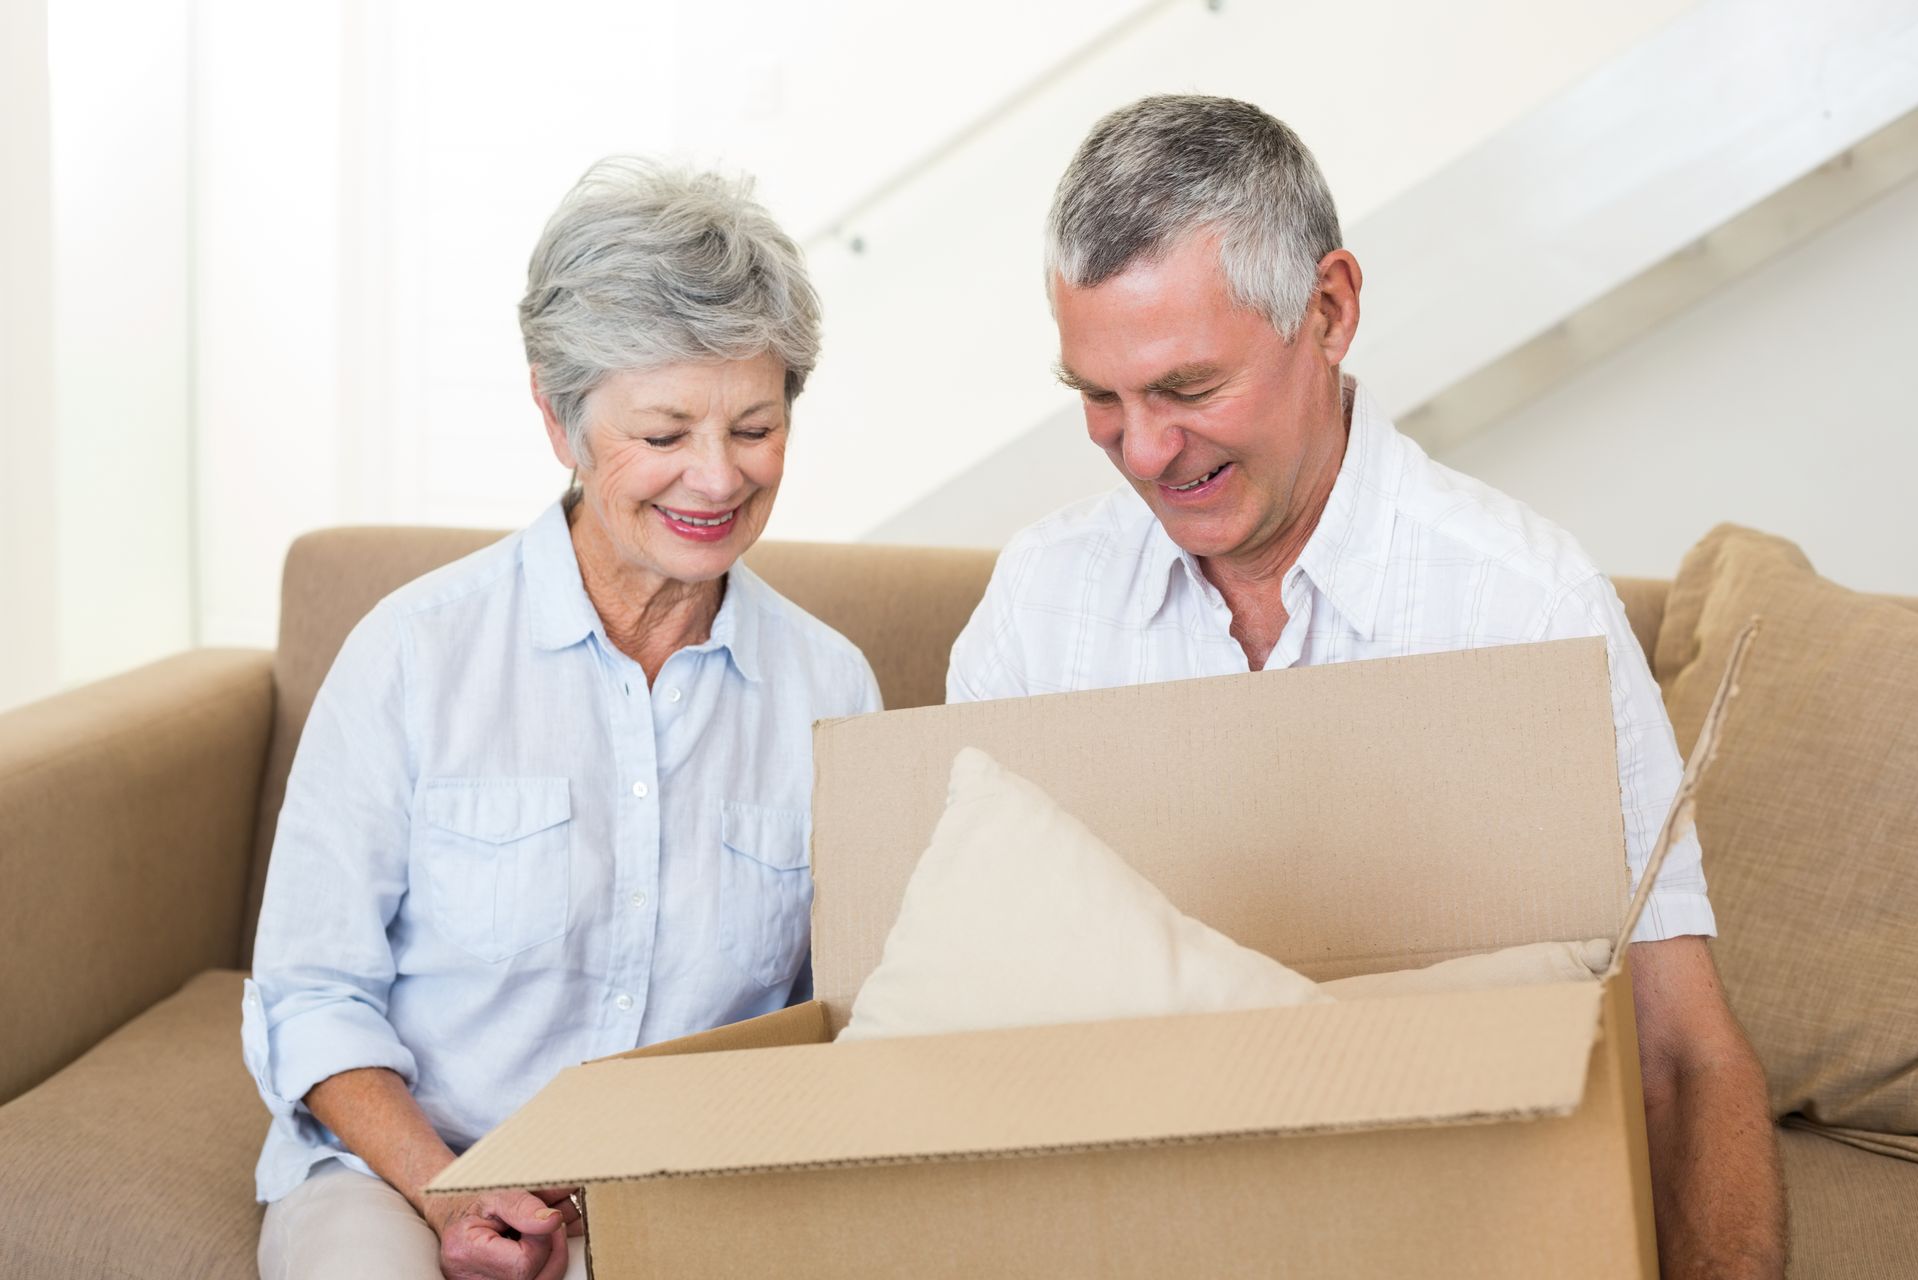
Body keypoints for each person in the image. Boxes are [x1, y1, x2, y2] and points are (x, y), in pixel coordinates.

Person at [948, 95, 1785, 1278]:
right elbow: (954, 1041)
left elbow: (1683, 1052)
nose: (1142, 450)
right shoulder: (1039, 608)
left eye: (1187, 389)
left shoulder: (1523, 607)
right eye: (1099, 396)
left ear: (1328, 310)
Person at [244, 158, 881, 1280]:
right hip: (408, 1172)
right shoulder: (414, 653)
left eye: (754, 425)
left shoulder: (832, 688)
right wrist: (451, 1190)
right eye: (666, 429)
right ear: (558, 416)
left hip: (685, 1188)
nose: (716, 477)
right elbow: (312, 992)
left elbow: (843, 1016)